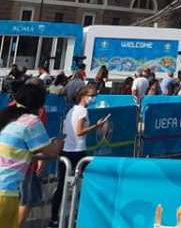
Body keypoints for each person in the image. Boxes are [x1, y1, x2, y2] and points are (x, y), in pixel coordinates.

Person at [0, 83, 61, 226]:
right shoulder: (31, 122)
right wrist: (58, 143)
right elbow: (51, 151)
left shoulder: (5, 117)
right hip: (5, 192)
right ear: (40, 104)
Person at [51, 85, 108, 226]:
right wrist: (97, 126)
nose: (94, 98)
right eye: (92, 96)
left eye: (95, 96)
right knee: (87, 182)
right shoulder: (82, 111)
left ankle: (54, 218)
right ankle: (83, 214)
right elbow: (79, 131)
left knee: (63, 185)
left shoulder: (72, 110)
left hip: (67, 150)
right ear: (84, 96)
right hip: (77, 151)